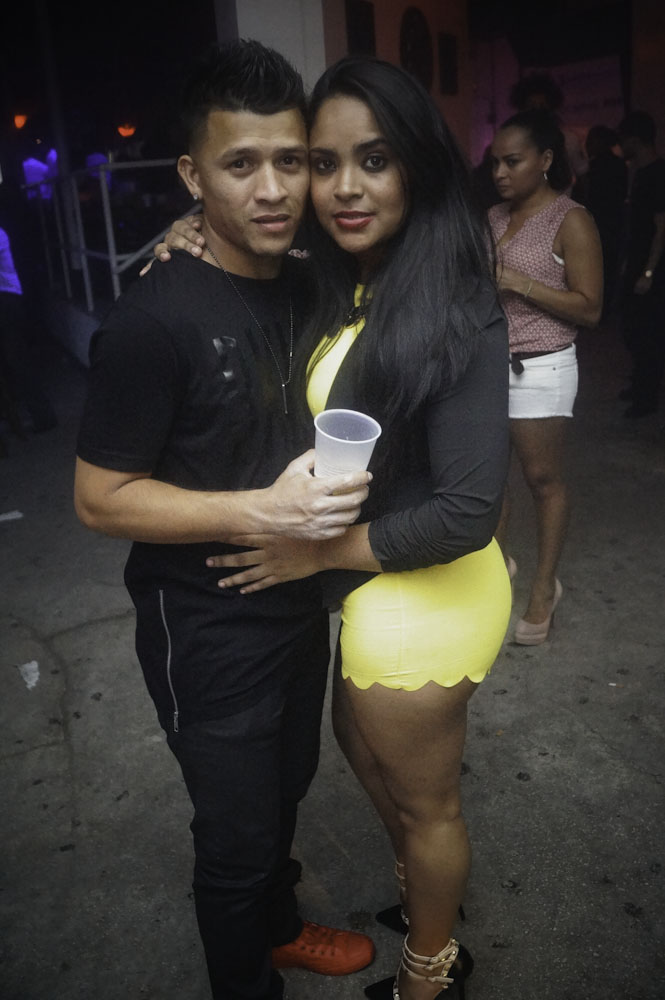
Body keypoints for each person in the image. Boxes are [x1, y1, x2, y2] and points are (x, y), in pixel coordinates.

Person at [165, 55, 511, 1000]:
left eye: (375, 159)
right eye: (325, 163)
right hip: (370, 585)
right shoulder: (350, 279)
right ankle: (426, 899)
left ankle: (429, 973)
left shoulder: (458, 304)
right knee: (369, 765)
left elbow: (468, 509)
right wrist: (187, 230)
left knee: (426, 804)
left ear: (418, 168)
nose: (345, 186)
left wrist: (307, 552)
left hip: (426, 595)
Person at [74, 41, 375, 1000]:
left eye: (290, 160)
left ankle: (278, 930)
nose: (273, 189)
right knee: (236, 841)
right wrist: (263, 511)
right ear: (191, 175)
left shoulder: (311, 281)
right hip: (204, 629)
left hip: (297, 605)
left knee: (285, 789)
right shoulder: (151, 321)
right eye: (239, 164)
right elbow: (98, 498)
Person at [489, 109, 603, 644]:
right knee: (489, 478)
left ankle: (543, 588)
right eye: (495, 163)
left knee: (541, 479)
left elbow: (591, 308)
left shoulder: (570, 219)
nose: (500, 173)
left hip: (541, 366)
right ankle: (497, 570)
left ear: (546, 160)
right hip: (488, 366)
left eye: (512, 161)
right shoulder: (491, 218)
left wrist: (518, 282)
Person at [616, 111, 665, 418]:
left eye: (623, 139)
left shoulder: (657, 174)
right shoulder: (642, 173)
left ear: (634, 139)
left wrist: (648, 271)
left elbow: (661, 227)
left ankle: (646, 398)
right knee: (634, 328)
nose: (621, 145)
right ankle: (640, 386)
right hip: (638, 262)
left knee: (647, 332)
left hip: (651, 267)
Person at [509, 73, 588, 191]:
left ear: (551, 109)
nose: (537, 111)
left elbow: (582, 175)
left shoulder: (568, 140)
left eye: (542, 107)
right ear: (522, 109)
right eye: (532, 106)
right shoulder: (514, 142)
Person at [581, 125, 627, 320]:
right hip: (612, 223)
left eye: (591, 141)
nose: (587, 145)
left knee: (595, 270)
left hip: (598, 223)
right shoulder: (618, 165)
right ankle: (603, 310)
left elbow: (589, 196)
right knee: (607, 269)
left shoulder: (595, 167)